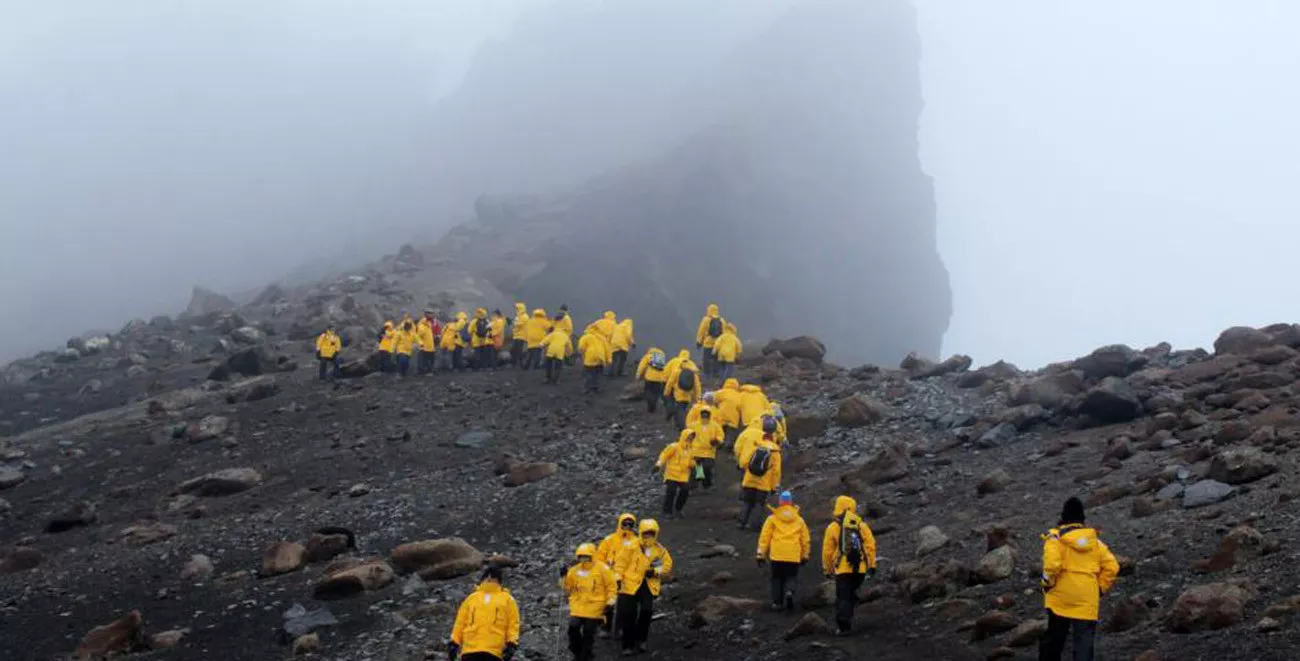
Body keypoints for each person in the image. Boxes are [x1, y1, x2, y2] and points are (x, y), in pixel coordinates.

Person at [1039, 497, 1118, 661]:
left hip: (1061, 598)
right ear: (1082, 519)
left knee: (1054, 640)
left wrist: (1047, 583)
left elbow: (1052, 566)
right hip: (1087, 598)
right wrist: (1099, 588)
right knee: (1083, 643)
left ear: (1063, 517)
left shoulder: (1055, 539)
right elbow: (1112, 567)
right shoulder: (1095, 542)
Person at [613, 519, 672, 656]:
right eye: (646, 533)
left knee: (646, 612)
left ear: (655, 534)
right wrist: (617, 578)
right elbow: (620, 564)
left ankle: (641, 640)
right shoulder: (631, 546)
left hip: (648, 584)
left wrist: (655, 571)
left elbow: (667, 565)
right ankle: (627, 645)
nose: (648, 536)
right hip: (630, 584)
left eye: (651, 533)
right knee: (630, 614)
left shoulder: (659, 550)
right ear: (640, 533)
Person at [821, 495, 876, 636]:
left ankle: (844, 626)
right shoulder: (861, 525)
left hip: (843, 568)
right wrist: (872, 565)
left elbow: (827, 551)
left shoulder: (832, 527)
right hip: (860, 568)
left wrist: (827, 569)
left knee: (843, 597)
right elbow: (870, 546)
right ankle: (849, 615)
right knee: (850, 593)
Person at [448, 566, 520, 661]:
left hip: (494, 651)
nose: (489, 579)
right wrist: (454, 642)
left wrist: (511, 643)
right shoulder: (471, 599)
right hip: (470, 650)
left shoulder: (507, 599)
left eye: (493, 576)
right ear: (483, 578)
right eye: (487, 576)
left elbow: (513, 624)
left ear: (499, 580)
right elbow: (460, 622)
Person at [561, 543, 618, 661]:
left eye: (586, 556)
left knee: (588, 632)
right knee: (573, 629)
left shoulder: (603, 569)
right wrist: (563, 577)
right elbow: (567, 589)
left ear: (592, 555)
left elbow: (612, 587)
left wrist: (610, 602)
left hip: (595, 607)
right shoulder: (574, 570)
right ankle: (577, 651)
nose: (583, 559)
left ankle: (585, 656)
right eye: (581, 556)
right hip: (578, 606)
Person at [757, 491, 811, 611]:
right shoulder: (799, 520)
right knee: (791, 576)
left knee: (777, 578)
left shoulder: (772, 519)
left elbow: (764, 538)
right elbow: (805, 539)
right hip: (793, 555)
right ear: (791, 503)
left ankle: (777, 603)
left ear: (780, 502)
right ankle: (790, 592)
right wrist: (805, 555)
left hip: (777, 555)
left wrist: (761, 554)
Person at [595, 514, 639, 637]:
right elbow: (599, 558)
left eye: (630, 524)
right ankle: (605, 627)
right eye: (625, 523)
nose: (627, 526)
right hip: (609, 574)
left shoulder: (636, 542)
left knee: (624, 605)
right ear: (619, 524)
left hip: (627, 577)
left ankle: (620, 629)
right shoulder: (609, 540)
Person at [738, 428, 781, 531]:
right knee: (759, 504)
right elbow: (776, 471)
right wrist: (774, 487)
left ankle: (741, 523)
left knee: (747, 501)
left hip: (749, 480)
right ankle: (755, 525)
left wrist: (743, 470)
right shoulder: (775, 452)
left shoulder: (756, 446)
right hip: (764, 483)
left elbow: (744, 461)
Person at [654, 430, 697, 519]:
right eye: (689, 436)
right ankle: (667, 511)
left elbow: (690, 462)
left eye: (692, 436)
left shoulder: (690, 449)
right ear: (684, 436)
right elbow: (664, 455)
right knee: (671, 491)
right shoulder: (674, 446)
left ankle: (678, 509)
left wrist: (695, 464)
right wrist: (658, 465)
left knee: (685, 491)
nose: (690, 438)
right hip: (672, 474)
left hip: (683, 476)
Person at [687, 408, 725, 490]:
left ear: (709, 415)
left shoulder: (715, 425)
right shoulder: (694, 425)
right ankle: (694, 487)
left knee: (707, 468)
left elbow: (720, 435)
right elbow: (687, 435)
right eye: (703, 414)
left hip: (709, 452)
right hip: (696, 451)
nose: (704, 416)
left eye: (706, 414)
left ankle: (706, 485)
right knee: (696, 469)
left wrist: (717, 440)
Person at [663, 351, 701, 430]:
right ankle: (679, 424)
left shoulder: (676, 369)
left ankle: (680, 425)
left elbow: (670, 382)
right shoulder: (692, 371)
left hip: (678, 393)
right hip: (687, 394)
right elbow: (697, 386)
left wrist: (666, 392)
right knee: (682, 408)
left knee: (679, 409)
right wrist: (698, 398)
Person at [635, 347, 669, 414]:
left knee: (648, 391)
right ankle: (653, 407)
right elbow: (664, 368)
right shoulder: (662, 358)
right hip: (659, 379)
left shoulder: (648, 356)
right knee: (656, 393)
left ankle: (650, 406)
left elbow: (642, 367)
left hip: (649, 378)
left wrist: (638, 376)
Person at [695, 303, 725, 378]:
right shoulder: (721, 320)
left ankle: (707, 374)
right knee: (716, 359)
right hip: (717, 344)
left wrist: (699, 342)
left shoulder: (706, 319)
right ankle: (716, 373)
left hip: (708, 343)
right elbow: (724, 332)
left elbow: (701, 331)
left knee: (706, 360)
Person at [577, 324, 609, 394]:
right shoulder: (602, 338)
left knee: (588, 373)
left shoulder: (586, 337)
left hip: (590, 356)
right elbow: (607, 349)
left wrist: (581, 355)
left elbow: (581, 347)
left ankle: (586, 388)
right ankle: (596, 387)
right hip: (600, 357)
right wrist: (608, 359)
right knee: (598, 373)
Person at [714, 379, 743, 451]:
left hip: (722, 415)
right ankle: (728, 443)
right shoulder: (739, 395)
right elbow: (741, 407)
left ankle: (718, 442)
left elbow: (712, 398)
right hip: (733, 417)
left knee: (720, 429)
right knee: (731, 431)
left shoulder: (722, 392)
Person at [542, 320, 574, 384]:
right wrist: (569, 354)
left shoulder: (553, 334)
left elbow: (544, 341)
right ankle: (556, 380)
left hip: (551, 351)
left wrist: (541, 345)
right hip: (559, 353)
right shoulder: (565, 336)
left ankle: (547, 378)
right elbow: (569, 347)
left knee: (549, 365)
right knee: (558, 367)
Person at [509, 303, 528, 367]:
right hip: (516, 336)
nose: (516, 309)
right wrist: (511, 322)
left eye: (517, 308)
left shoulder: (525, 316)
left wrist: (512, 322)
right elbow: (515, 324)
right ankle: (516, 363)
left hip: (521, 336)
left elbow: (518, 324)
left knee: (518, 351)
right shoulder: (518, 316)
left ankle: (521, 364)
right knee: (514, 350)